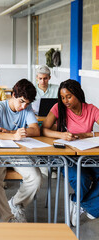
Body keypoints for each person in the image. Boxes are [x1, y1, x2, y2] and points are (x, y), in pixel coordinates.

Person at [0, 79, 41, 222]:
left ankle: (15, 204)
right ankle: (8, 218)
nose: (24, 106)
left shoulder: (26, 107)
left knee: (36, 178)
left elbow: (35, 130)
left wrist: (11, 131)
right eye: (21, 101)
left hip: (18, 152)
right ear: (13, 94)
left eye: (27, 103)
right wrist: (12, 135)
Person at [42, 79, 99, 226]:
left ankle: (77, 201)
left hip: (88, 155)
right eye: (62, 97)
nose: (65, 101)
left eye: (68, 96)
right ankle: (88, 205)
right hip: (67, 155)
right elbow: (44, 129)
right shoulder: (58, 108)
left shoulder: (91, 109)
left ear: (77, 94)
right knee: (82, 179)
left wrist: (87, 135)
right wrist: (61, 135)